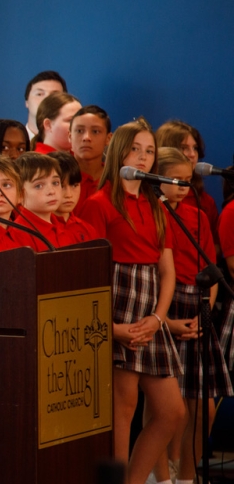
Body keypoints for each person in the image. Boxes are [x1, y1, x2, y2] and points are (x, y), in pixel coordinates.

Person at [77, 119, 186, 484]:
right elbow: (90, 272)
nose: (143, 157)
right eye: (135, 149)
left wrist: (158, 318)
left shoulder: (157, 206)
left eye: (150, 151)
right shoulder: (98, 203)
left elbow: (166, 271)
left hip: (150, 309)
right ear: (117, 152)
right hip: (117, 303)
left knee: (173, 412)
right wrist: (113, 328)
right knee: (122, 410)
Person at [151, 148, 231, 484]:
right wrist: (165, 319)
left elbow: (210, 269)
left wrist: (207, 311)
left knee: (203, 407)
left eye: (188, 181)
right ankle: (162, 474)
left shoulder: (197, 215)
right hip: (164, 307)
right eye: (175, 180)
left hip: (198, 307)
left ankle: (187, 474)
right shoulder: (154, 214)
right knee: (168, 408)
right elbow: (155, 273)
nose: (183, 187)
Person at [156, 120, 221, 243]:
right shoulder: (147, 199)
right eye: (184, 148)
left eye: (195, 148)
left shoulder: (205, 201)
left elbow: (215, 246)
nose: (192, 154)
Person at [14, 152, 66, 249]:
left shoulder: (62, 226)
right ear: (20, 194)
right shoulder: (19, 234)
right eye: (39, 186)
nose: (51, 191)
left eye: (55, 183)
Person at [69, 104, 112, 213]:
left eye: (95, 131)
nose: (86, 137)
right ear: (69, 136)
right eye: (79, 131)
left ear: (108, 138)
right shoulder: (57, 178)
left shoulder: (116, 180)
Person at [49, 151, 97, 245]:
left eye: (74, 185)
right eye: (62, 186)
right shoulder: (38, 229)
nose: (69, 194)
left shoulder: (87, 230)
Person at [23, 70, 67, 140]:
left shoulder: (73, 146)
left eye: (54, 95)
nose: (46, 100)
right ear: (27, 102)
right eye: (39, 94)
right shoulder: (12, 142)